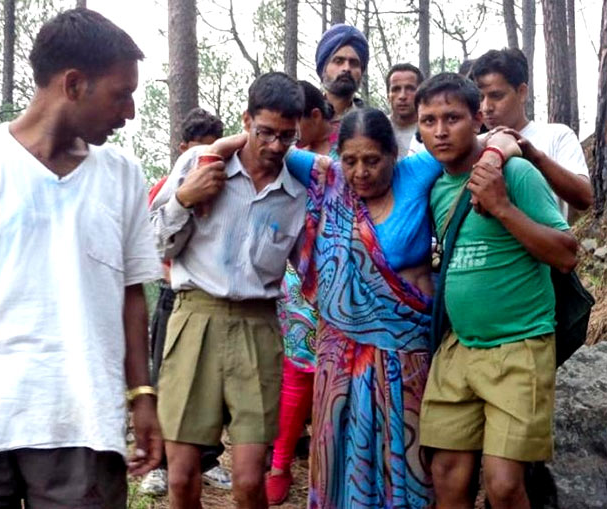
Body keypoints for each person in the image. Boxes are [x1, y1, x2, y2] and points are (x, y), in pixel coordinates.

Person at [200, 106, 518, 507]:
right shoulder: (326, 176)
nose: (360, 172)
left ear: (393, 155)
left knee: (406, 460)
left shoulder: (418, 171)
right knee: (341, 458)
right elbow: (258, 142)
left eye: (372, 160)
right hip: (339, 359)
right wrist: (214, 151)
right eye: (350, 160)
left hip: (406, 357)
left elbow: (499, 138)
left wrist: (494, 155)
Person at [0, 8, 162, 508]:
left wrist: (142, 396)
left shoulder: (122, 175)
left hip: (82, 424)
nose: (129, 112)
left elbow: (132, 298)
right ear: (75, 84)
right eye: (122, 93)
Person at [415, 73, 578, 509]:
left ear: (477, 120)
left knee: (504, 485)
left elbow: (566, 254)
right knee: (447, 474)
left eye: (452, 117)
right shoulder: (434, 188)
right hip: (458, 348)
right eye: (428, 120)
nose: (441, 130)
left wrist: (502, 207)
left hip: (519, 343)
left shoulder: (516, 172)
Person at [150, 72, 307, 509]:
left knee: (249, 481)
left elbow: (311, 268)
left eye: (286, 136)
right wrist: (183, 198)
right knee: (181, 478)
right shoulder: (201, 164)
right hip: (193, 317)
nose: (276, 145)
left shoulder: (297, 193)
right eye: (266, 132)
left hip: (259, 328)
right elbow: (155, 245)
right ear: (247, 120)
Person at [141, 107, 231, 496]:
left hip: (215, 303)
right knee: (168, 382)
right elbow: (148, 242)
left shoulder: (228, 186)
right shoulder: (165, 188)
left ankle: (209, 458)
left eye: (212, 153)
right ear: (182, 150)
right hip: (172, 297)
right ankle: (159, 465)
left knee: (216, 387)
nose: (204, 164)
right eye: (196, 153)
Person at [265, 80, 336, 506]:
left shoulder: (336, 161)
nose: (283, 136)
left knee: (327, 382)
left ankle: (320, 475)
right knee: (296, 376)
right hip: (296, 281)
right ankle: (279, 464)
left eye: (293, 123)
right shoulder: (282, 160)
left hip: (337, 279)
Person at [470, 48, 592, 219]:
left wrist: (535, 157)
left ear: (521, 92)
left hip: (547, 243)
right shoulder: (474, 145)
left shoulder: (556, 136)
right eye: (481, 98)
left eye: (496, 96)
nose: (486, 107)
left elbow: (584, 198)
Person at [315, 23, 369, 145]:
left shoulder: (370, 123)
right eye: (338, 61)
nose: (346, 68)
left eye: (354, 63)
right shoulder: (304, 119)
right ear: (323, 68)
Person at [386, 63, 426, 158]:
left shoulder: (432, 131)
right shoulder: (377, 129)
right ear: (388, 96)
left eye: (410, 89)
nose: (402, 96)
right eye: (396, 89)